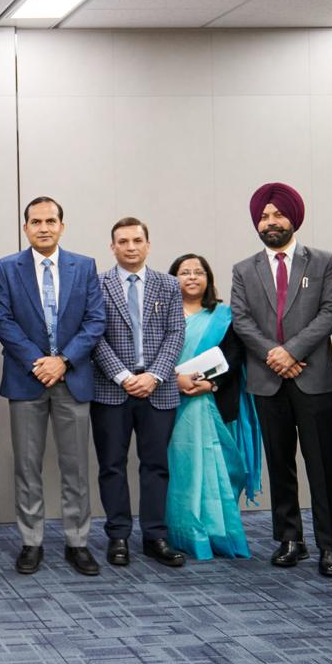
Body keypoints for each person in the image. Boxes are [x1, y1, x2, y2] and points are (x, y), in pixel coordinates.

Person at [231, 182, 332, 577]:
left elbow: (331, 312)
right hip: (268, 380)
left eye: (278, 214)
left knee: (322, 464)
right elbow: (242, 319)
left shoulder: (323, 261)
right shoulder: (244, 269)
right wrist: (275, 355)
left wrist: (291, 352)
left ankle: (330, 545)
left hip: (313, 378)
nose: (271, 222)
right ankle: (290, 539)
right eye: (264, 216)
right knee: (279, 464)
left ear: (293, 217)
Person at [0, 196, 106, 576]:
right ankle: (31, 541)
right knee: (27, 467)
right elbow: (2, 319)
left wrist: (64, 360)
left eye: (50, 221)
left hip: (73, 378)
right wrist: (38, 361)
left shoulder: (84, 266)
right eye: (36, 222)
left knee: (76, 467)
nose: (44, 228)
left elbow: (95, 320)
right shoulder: (7, 268)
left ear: (62, 225)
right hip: (27, 379)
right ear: (25, 227)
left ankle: (78, 542)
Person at [91, 218, 186, 568]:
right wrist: (121, 375)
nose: (130, 247)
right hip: (111, 389)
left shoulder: (168, 284)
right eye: (123, 241)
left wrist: (155, 376)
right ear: (112, 247)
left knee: (156, 465)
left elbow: (176, 332)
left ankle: (154, 536)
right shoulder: (96, 284)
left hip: (157, 389)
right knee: (111, 465)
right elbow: (93, 334)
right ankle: (118, 536)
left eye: (136, 240)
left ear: (148, 244)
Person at [164, 253, 261, 561]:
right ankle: (183, 532)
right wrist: (175, 381)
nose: (192, 277)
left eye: (199, 272)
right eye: (184, 272)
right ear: (173, 279)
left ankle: (219, 532)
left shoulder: (224, 316)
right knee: (181, 470)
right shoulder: (163, 315)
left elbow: (234, 356)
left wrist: (211, 384)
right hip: (170, 401)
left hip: (214, 402)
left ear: (208, 278)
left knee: (219, 468)